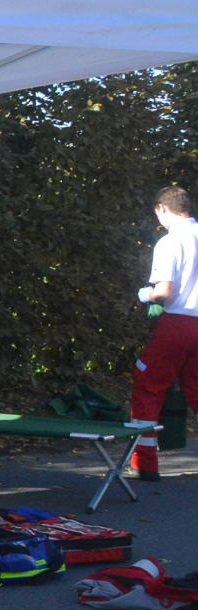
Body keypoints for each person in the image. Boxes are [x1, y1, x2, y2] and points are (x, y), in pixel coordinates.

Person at [128, 185, 198, 479]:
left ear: (163, 208)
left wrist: (145, 294)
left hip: (177, 324)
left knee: (148, 385)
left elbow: (164, 292)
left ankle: (144, 464)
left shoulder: (170, 242)